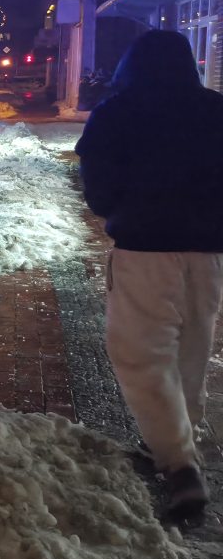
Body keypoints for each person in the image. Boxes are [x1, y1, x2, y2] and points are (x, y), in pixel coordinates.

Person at [77, 28, 223, 519]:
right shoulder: (215, 110)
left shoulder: (117, 113)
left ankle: (179, 464)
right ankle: (182, 438)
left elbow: (96, 185)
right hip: (208, 252)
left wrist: (124, 209)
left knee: (141, 354)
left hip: (145, 248)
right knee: (191, 346)